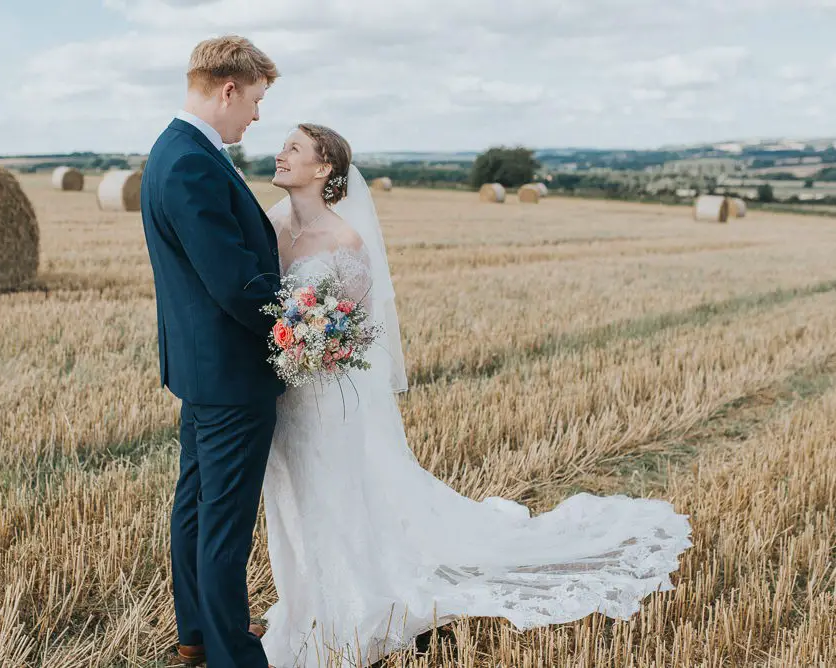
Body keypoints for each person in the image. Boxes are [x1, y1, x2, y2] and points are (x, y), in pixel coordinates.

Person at [259, 123, 694, 668]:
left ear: (323, 168)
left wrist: (315, 344)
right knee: (289, 500)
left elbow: (357, 331)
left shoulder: (347, 242)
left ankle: (349, 607)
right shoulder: (269, 224)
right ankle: (302, 602)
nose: (279, 154)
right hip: (282, 394)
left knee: (331, 496)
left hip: (325, 397)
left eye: (293, 148)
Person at [139, 35, 282, 668]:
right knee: (223, 524)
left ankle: (196, 633)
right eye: (254, 100)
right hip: (229, 375)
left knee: (197, 508)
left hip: (201, 370)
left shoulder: (177, 149)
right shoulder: (192, 160)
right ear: (229, 89)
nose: (256, 115)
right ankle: (232, 655)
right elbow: (234, 280)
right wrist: (298, 328)